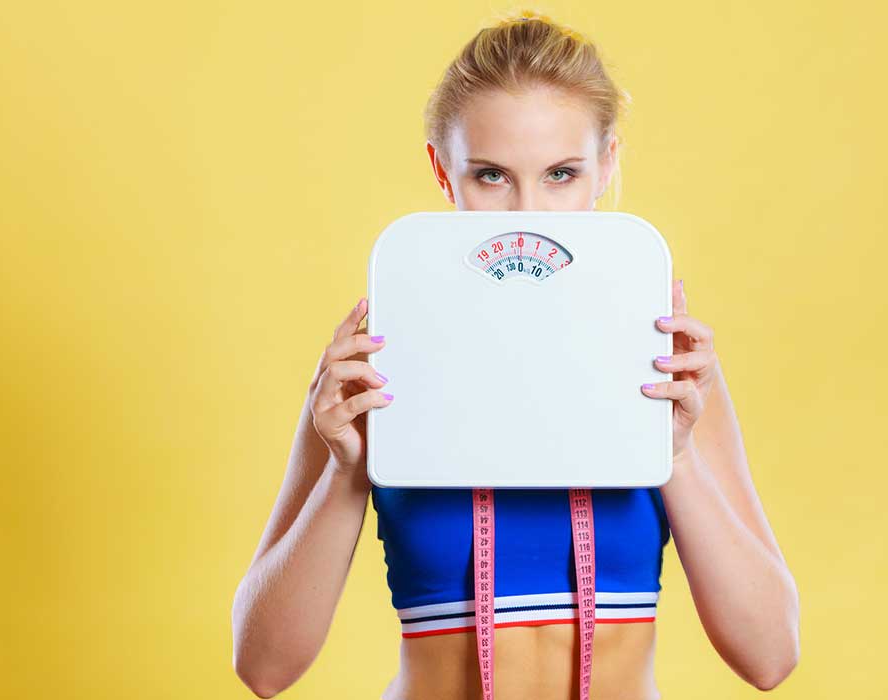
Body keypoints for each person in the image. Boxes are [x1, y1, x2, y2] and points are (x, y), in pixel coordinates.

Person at [231, 10, 800, 699]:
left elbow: (769, 656)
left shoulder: (664, 362)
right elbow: (264, 668)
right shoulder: (377, 360)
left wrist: (672, 453)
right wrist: (348, 472)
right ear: (443, 171)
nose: (529, 210)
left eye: (562, 173)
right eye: (492, 176)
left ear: (607, 164)